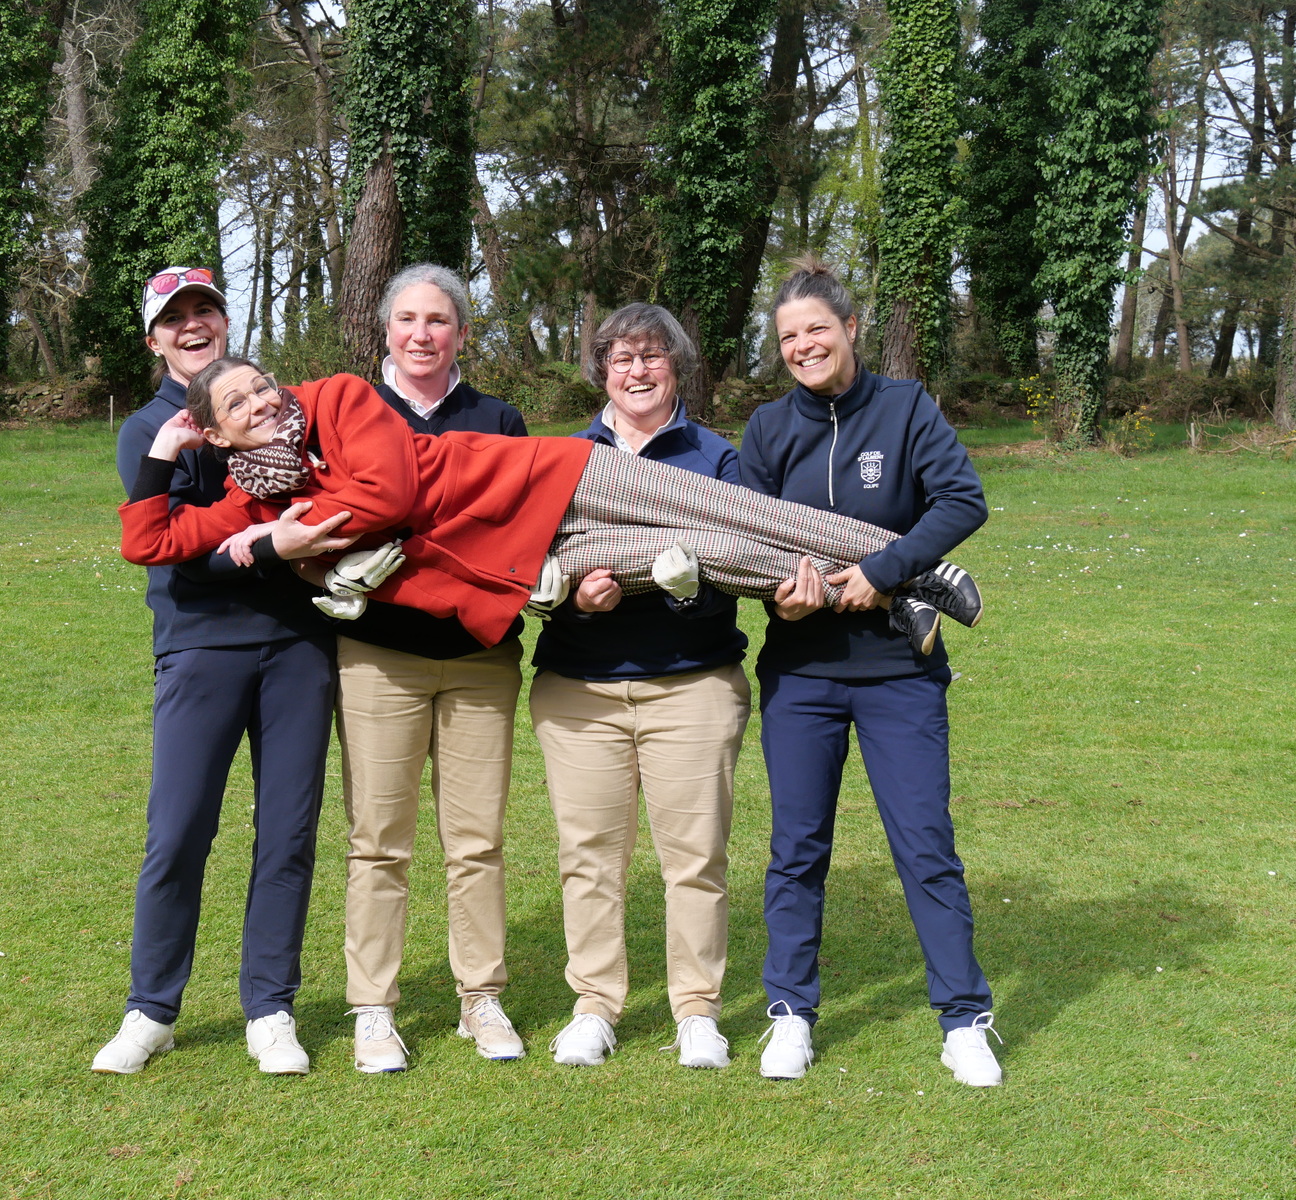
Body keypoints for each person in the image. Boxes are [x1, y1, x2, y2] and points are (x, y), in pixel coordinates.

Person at [116, 364, 983, 653]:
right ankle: (894, 595)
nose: (264, 403)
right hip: (523, 560)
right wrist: (162, 459)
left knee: (733, 512)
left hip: (547, 481)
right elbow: (154, 542)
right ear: (217, 433)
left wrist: (296, 538)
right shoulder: (251, 495)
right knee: (710, 553)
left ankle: (911, 564)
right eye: (239, 405)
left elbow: (390, 495)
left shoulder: (338, 398)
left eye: (262, 385)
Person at [741, 255, 1001, 1088]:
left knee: (926, 846)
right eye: (789, 336)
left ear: (851, 328)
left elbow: (961, 499)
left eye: (818, 328)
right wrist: (780, 601)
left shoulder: (906, 406)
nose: (804, 346)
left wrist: (882, 572)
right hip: (802, 673)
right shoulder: (766, 429)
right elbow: (746, 543)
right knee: (796, 848)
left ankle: (964, 1020)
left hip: (898, 671)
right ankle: (790, 1015)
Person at [92, 267, 353, 1079]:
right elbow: (170, 550)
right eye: (176, 318)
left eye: (205, 309)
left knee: (288, 834)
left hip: (297, 648)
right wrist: (270, 546)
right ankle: (151, 1010)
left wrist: (288, 544)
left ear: (226, 321)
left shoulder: (277, 411)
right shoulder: (150, 430)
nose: (193, 325)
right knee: (178, 833)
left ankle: (270, 1009)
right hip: (200, 648)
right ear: (155, 340)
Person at [528, 304, 750, 1071]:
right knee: (589, 856)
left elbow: (740, 572)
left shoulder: (715, 458)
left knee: (695, 858)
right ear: (602, 371)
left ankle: (697, 1011)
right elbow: (531, 563)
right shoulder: (563, 458)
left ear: (676, 365)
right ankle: (594, 1005)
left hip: (693, 686)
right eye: (622, 358)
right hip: (580, 690)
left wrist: (687, 594)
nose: (638, 370)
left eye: (652, 356)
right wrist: (568, 601)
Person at [331, 265, 531, 1073]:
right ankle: (373, 1010)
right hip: (381, 658)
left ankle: (480, 998)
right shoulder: (350, 412)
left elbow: (518, 528)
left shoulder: (497, 418)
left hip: (480, 660)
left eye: (439, 320)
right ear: (385, 328)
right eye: (408, 319)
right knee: (379, 841)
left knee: (476, 840)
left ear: (462, 333)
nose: (422, 334)